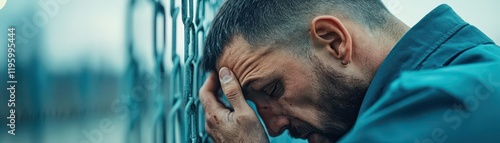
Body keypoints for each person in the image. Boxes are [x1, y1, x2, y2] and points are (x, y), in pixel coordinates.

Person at [198, 0, 500, 142]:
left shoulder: (445, 102)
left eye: (274, 89)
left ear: (333, 41)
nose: (273, 129)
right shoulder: (473, 66)